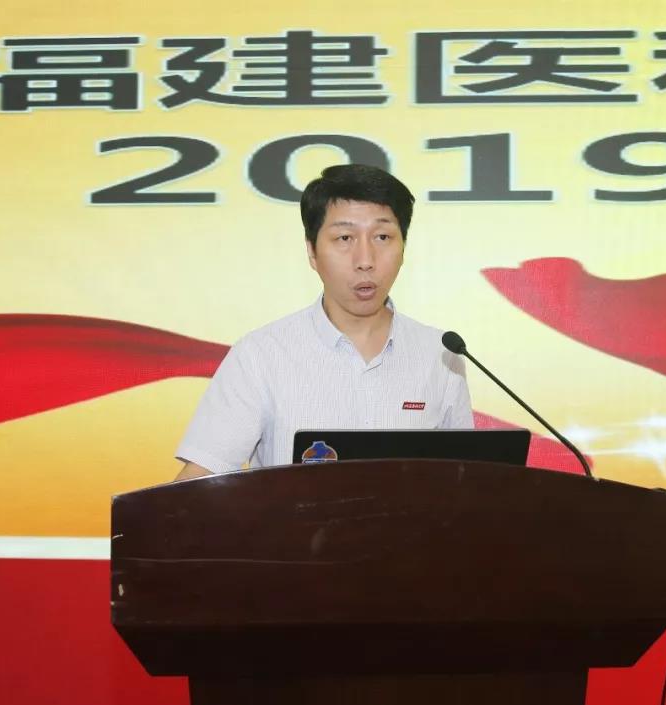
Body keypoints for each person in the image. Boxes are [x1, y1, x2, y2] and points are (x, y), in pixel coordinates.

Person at [175, 163, 473, 479]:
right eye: (344, 238)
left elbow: (465, 479)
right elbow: (201, 478)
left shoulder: (441, 355)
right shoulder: (260, 354)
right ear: (312, 252)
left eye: (383, 236)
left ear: (403, 248)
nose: (365, 261)